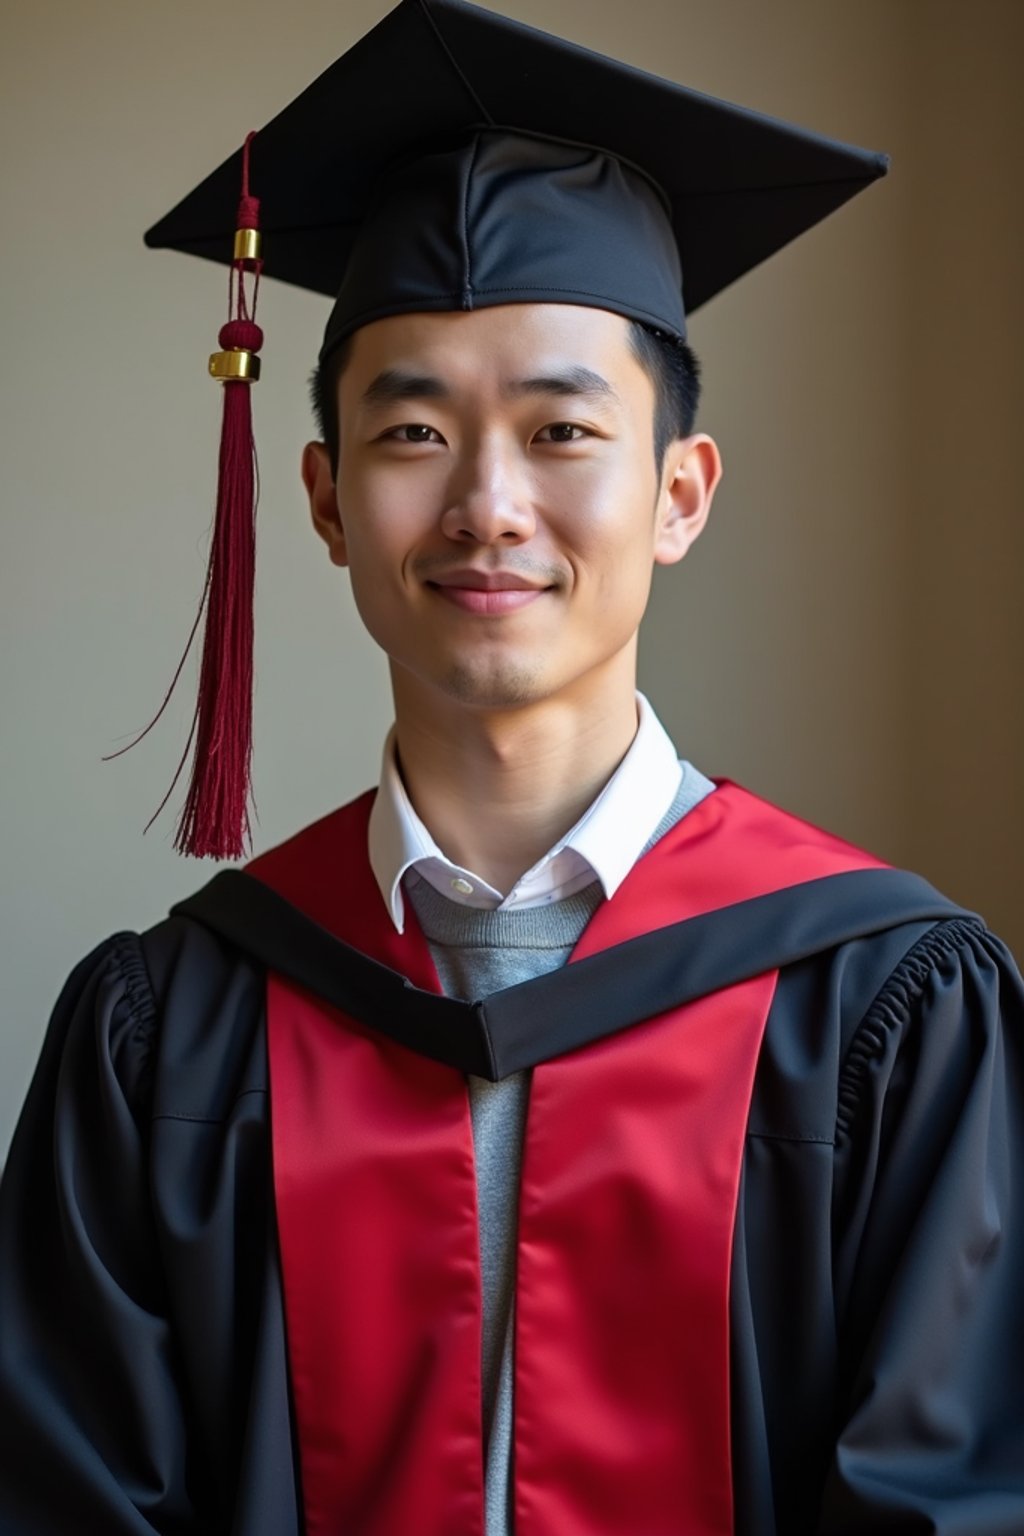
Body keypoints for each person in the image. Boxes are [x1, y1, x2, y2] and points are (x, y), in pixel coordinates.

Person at [2, 1, 1023, 1533]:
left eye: (560, 431)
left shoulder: (886, 1004)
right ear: (329, 500)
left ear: (679, 493)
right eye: (413, 432)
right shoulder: (170, 1035)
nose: (488, 503)